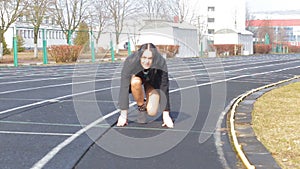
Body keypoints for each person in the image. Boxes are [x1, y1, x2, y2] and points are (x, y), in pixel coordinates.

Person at [117, 43, 174, 128]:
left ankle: (147, 101)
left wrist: (166, 115)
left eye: (150, 58)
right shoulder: (130, 61)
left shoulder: (161, 62)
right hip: (137, 79)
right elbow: (124, 86)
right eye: (144, 58)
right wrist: (123, 115)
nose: (146, 61)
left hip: (152, 81)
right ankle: (141, 107)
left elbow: (164, 86)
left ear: (154, 58)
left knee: (152, 111)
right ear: (140, 56)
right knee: (135, 82)